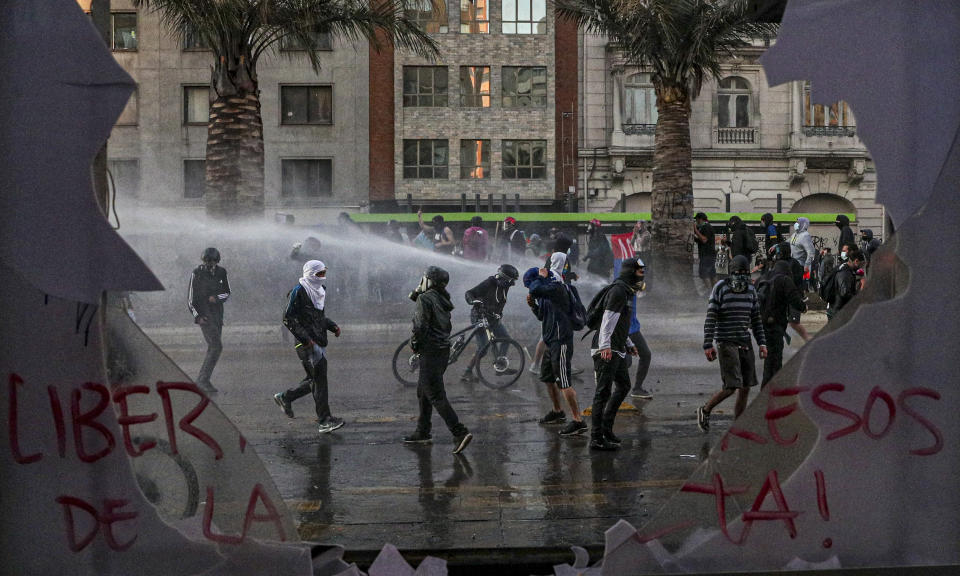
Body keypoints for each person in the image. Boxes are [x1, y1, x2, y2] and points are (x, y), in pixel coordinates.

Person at [403, 266, 473, 454]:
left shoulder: (425, 298)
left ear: (429, 281)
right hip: (442, 350)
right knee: (423, 391)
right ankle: (422, 431)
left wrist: (415, 344)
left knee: (435, 394)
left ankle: (459, 432)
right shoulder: (442, 298)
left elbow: (420, 325)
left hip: (430, 351)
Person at [697, 255, 768, 433]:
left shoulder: (751, 291)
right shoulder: (720, 288)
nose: (742, 276)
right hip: (725, 342)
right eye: (738, 273)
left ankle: (738, 424)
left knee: (745, 387)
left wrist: (762, 343)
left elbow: (756, 320)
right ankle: (705, 409)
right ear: (731, 273)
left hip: (744, 341)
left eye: (745, 273)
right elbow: (711, 318)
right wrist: (708, 344)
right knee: (731, 386)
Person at [273, 260, 345, 433]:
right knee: (319, 380)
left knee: (314, 379)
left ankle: (286, 397)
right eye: (319, 274)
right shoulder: (298, 291)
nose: (322, 277)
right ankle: (324, 420)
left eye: (323, 274)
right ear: (310, 274)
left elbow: (317, 316)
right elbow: (287, 318)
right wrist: (305, 339)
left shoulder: (320, 291)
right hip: (306, 344)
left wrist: (332, 326)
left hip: (318, 340)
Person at [527, 252, 587, 437]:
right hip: (550, 339)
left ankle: (578, 421)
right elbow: (542, 316)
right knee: (547, 377)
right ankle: (557, 412)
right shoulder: (548, 290)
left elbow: (535, 289)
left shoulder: (557, 287)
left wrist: (540, 279)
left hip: (561, 341)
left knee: (564, 381)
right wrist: (533, 306)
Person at [589, 258, 646, 450]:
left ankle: (606, 429)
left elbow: (620, 323)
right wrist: (605, 346)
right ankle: (596, 438)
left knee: (623, 385)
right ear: (630, 272)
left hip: (617, 346)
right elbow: (607, 320)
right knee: (603, 393)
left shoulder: (626, 291)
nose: (642, 275)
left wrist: (628, 343)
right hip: (607, 348)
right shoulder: (619, 291)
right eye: (639, 272)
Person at [460, 264, 519, 383]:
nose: (512, 283)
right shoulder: (489, 283)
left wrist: (497, 314)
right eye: (511, 280)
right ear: (504, 278)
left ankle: (500, 367)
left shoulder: (505, 286)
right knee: (483, 348)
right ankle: (467, 372)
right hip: (480, 317)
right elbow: (469, 293)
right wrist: (474, 301)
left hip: (492, 318)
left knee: (505, 339)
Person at [758, 245, 806, 386]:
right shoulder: (785, 280)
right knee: (775, 359)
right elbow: (795, 300)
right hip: (776, 324)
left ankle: (767, 389)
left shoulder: (764, 277)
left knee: (769, 358)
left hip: (762, 324)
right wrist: (803, 307)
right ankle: (773, 390)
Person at [188, 247, 230, 394]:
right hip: (205, 317)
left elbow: (227, 292)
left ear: (217, 261)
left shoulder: (222, 272)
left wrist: (217, 298)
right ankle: (202, 380)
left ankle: (203, 379)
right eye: (207, 261)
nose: (210, 264)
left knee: (214, 347)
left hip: (218, 316)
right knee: (216, 346)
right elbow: (190, 299)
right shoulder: (197, 273)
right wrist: (197, 316)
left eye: (212, 261)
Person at [829, 248, 864, 318]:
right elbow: (845, 293)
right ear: (856, 261)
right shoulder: (845, 272)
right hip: (838, 311)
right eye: (861, 264)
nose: (862, 267)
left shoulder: (848, 270)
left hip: (838, 309)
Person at [789, 217, 816, 289]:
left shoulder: (805, 235)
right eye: (796, 222)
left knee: (803, 283)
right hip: (794, 264)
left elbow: (811, 252)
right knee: (795, 284)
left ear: (803, 224)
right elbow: (787, 242)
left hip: (802, 266)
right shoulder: (795, 234)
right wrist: (776, 246)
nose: (796, 224)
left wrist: (807, 265)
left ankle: (807, 295)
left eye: (798, 222)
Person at [693, 212, 717, 287]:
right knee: (712, 274)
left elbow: (704, 240)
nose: (696, 222)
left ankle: (709, 292)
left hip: (707, 255)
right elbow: (703, 240)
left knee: (704, 274)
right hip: (710, 255)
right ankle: (715, 292)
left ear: (700, 219)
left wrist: (695, 230)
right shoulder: (706, 227)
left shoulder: (706, 227)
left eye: (697, 220)